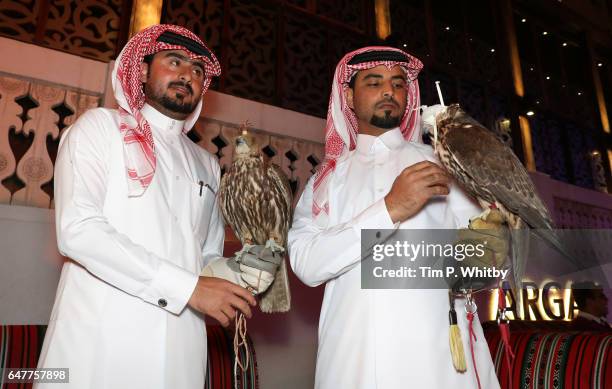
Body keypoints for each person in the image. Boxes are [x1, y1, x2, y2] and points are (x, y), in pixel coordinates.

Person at [36, 24, 274, 389]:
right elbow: (78, 231)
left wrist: (249, 267)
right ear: (143, 69)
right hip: (101, 344)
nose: (187, 75)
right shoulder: (99, 128)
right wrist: (190, 289)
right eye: (174, 61)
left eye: (198, 70)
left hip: (180, 349)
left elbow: (205, 256)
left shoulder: (206, 163)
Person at [288, 46, 501, 388]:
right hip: (352, 357)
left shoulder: (443, 164)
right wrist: (389, 209)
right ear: (348, 95)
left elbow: (489, 264)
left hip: (437, 358)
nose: (389, 91)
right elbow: (307, 265)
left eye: (398, 83)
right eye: (374, 82)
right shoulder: (326, 181)